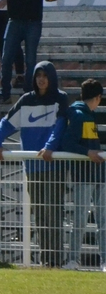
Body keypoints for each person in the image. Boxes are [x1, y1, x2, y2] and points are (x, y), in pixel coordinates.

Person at [0, 61, 68, 268]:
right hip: (32, 169)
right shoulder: (26, 101)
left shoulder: (60, 99)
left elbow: (59, 127)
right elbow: (5, 124)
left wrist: (49, 147)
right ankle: (46, 261)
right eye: (38, 75)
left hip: (54, 168)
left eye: (45, 75)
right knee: (40, 215)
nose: (41, 79)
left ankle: (56, 260)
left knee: (53, 214)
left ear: (51, 77)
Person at [52, 79, 106, 271]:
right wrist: (88, 153)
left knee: (97, 220)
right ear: (98, 97)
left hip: (97, 174)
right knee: (84, 220)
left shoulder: (84, 114)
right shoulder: (78, 115)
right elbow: (68, 143)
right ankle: (74, 259)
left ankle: (96, 260)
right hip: (85, 174)